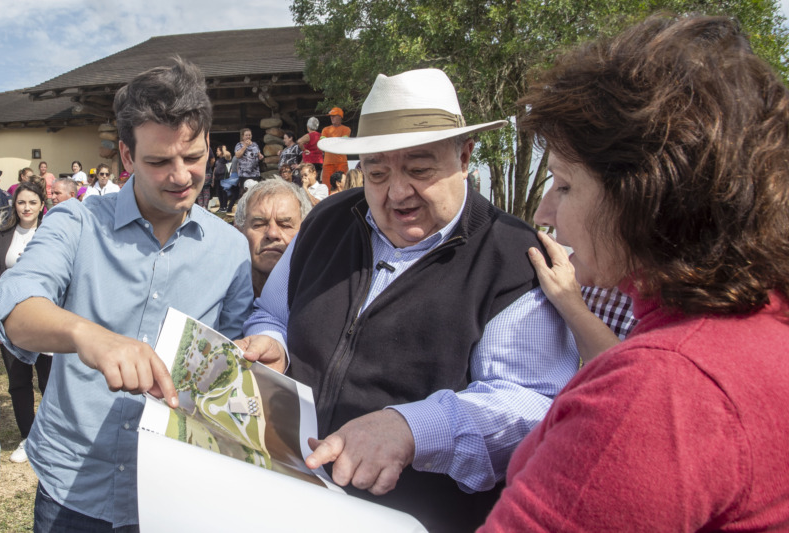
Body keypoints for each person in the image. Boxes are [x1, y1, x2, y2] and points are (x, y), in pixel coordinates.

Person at [479, 15, 789, 532]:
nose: (546, 212)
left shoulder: (662, 390)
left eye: (565, 185)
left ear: (639, 197)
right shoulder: (762, 325)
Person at [239, 68, 577, 531]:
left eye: (419, 169)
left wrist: (412, 429)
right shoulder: (326, 221)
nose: (398, 192)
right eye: (376, 172)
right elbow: (272, 312)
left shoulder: (514, 258)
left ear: (464, 156)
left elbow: (528, 402)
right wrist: (270, 342)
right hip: (290, 501)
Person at [0, 57, 253, 531]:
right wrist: (86, 334)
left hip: (174, 494)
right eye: (158, 161)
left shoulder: (231, 249)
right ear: (127, 158)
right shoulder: (76, 222)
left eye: (192, 157)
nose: (180, 176)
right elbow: (12, 305)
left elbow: (229, 366)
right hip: (73, 489)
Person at [0, 182, 51, 465]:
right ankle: (29, 437)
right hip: (11, 322)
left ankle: (52, 436)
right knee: (18, 382)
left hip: (48, 320)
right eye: (21, 202)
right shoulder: (3, 237)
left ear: (42, 205)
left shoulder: (52, 235)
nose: (26, 208)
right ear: (15, 205)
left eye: (32, 203)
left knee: (50, 381)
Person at [234, 179, 311, 297]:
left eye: (285, 225)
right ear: (239, 232)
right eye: (259, 224)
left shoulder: (319, 298)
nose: (272, 234)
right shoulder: (217, 297)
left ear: (305, 233)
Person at [319, 107, 350, 188]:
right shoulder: (325, 129)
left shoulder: (346, 129)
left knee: (343, 186)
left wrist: (329, 141)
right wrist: (336, 141)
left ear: (340, 117)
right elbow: (323, 143)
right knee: (326, 187)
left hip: (341, 162)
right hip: (328, 163)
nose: (331, 118)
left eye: (333, 116)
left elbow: (343, 141)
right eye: (330, 116)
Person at [234, 127, 265, 195]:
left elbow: (259, 154)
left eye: (249, 135)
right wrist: (245, 146)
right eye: (246, 135)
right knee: (244, 193)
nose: (248, 136)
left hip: (255, 173)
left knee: (255, 193)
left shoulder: (255, 145)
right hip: (244, 174)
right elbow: (237, 155)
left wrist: (260, 156)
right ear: (242, 136)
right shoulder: (239, 145)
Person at [213, 144, 232, 212]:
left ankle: (225, 207)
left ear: (221, 151)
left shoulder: (225, 159)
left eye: (218, 151)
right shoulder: (218, 160)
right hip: (217, 178)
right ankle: (221, 207)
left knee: (224, 192)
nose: (216, 152)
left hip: (224, 178)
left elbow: (228, 155)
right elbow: (215, 170)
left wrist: (224, 149)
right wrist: (213, 179)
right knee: (219, 193)